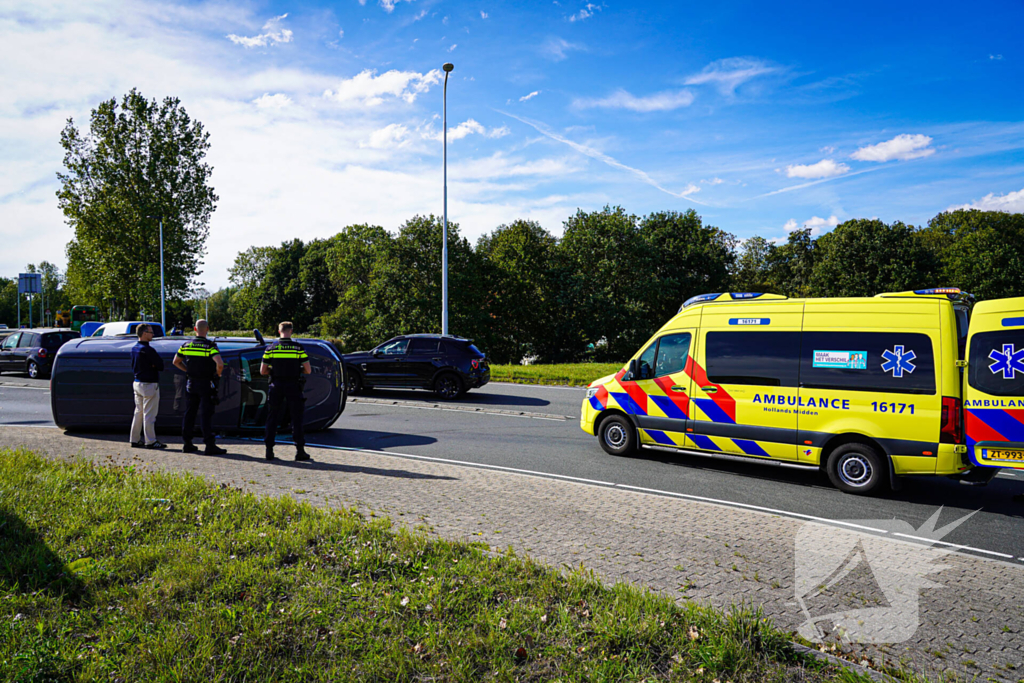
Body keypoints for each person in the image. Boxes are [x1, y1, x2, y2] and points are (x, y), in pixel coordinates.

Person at [172, 319, 226, 455]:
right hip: (206, 383)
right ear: (207, 329)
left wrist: (187, 371)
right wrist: (217, 375)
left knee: (189, 413)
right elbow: (220, 364)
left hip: (191, 383)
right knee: (206, 414)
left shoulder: (186, 345)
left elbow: (176, 361)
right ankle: (209, 445)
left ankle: (187, 444)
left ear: (195, 330)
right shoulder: (210, 346)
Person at [261, 321, 312, 461]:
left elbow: (262, 371)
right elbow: (308, 369)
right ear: (291, 331)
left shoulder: (270, 348)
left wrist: (275, 370)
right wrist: (296, 370)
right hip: (293, 386)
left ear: (279, 331)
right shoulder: (298, 348)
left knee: (272, 417)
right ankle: (300, 451)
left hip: (276, 385)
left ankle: (269, 450)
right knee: (296, 418)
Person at [130, 323, 166, 449]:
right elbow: (161, 365)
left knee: (138, 412)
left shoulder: (134, 348)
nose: (153, 334)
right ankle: (150, 441)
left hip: (137, 382)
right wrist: (153, 366)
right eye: (151, 332)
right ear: (144, 334)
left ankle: (134, 439)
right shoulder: (148, 350)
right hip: (149, 384)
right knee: (149, 415)